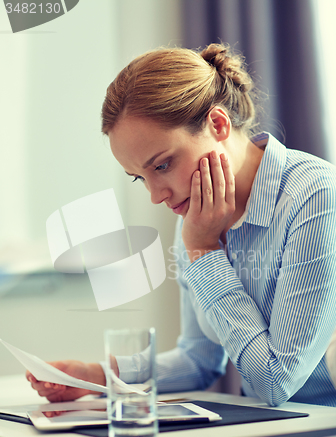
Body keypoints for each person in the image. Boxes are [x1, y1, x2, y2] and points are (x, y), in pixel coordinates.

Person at [27, 43, 336, 407]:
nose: (157, 196)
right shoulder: (195, 212)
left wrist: (204, 252)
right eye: (139, 178)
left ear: (218, 124)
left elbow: (275, 381)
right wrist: (99, 376)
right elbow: (199, 360)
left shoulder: (316, 197)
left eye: (162, 165)